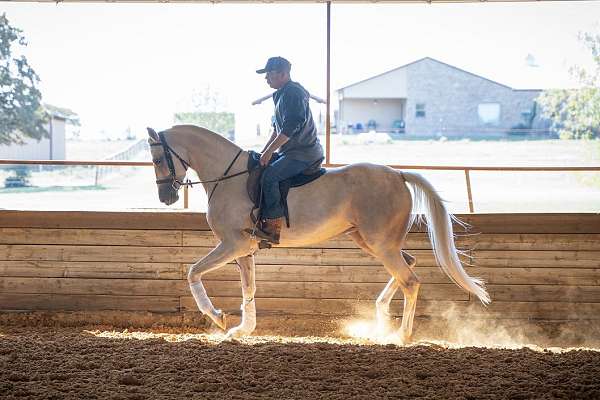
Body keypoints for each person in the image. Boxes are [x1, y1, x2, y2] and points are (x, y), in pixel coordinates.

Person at [249, 56, 324, 244]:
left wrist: (268, 153)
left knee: (270, 176)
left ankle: (273, 227)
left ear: (283, 74)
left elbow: (290, 128)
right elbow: (276, 130)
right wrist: (263, 152)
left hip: (303, 152)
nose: (266, 79)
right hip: (289, 152)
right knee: (261, 168)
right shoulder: (279, 94)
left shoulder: (294, 93)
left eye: (270, 74)